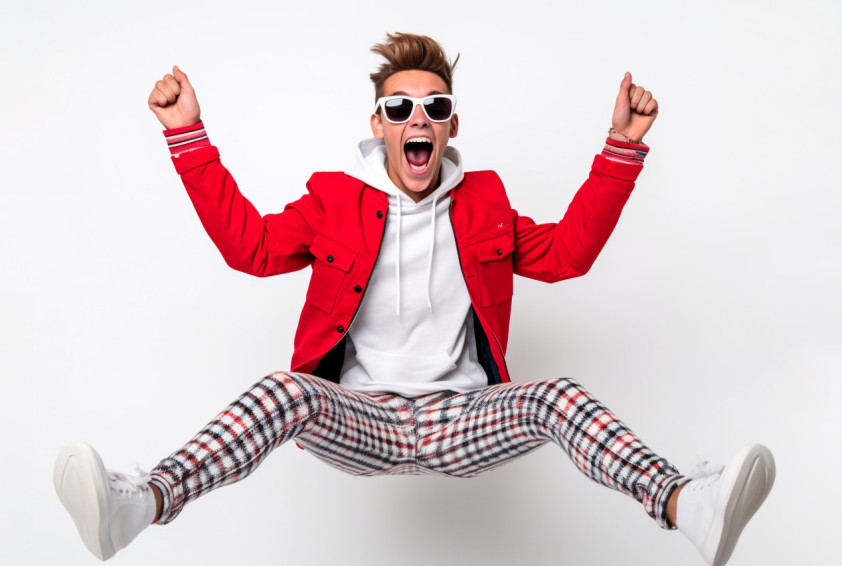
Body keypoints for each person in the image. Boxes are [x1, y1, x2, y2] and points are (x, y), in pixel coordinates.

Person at [54, 32, 774, 565]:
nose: (417, 118)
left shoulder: (485, 200)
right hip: (359, 415)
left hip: (461, 416)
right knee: (284, 391)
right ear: (380, 126)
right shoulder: (333, 200)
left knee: (559, 395)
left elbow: (565, 257)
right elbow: (251, 248)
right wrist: (188, 134)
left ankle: (688, 505)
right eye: (399, 107)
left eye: (435, 107)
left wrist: (621, 147)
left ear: (451, 124)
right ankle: (139, 504)